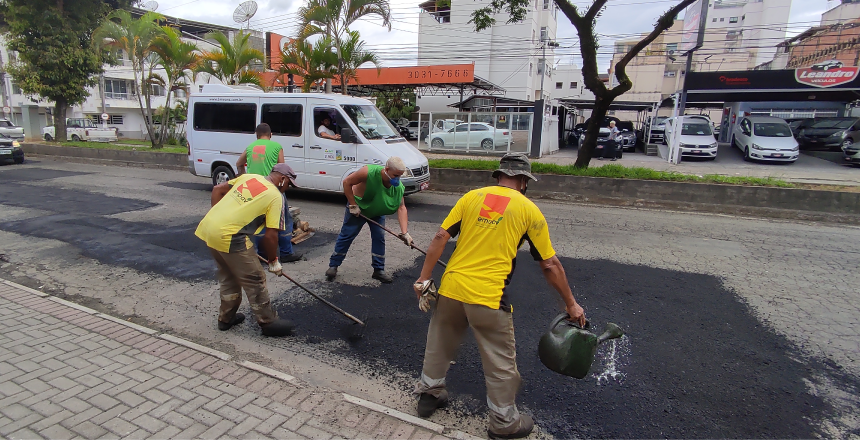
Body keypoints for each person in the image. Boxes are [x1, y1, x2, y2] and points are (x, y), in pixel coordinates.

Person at [411, 153, 586, 439]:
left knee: (439, 343)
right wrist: (571, 304)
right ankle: (504, 423)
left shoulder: (471, 198)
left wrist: (423, 278)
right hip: (488, 297)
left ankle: (429, 394)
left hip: (452, 288)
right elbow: (549, 264)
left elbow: (440, 237)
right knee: (500, 362)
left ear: (499, 176)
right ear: (523, 181)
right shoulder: (529, 210)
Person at [195, 163, 299, 337]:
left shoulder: (250, 177)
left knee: (229, 276)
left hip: (209, 228)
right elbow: (271, 236)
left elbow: (217, 190)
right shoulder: (275, 197)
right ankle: (268, 322)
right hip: (231, 237)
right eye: (289, 183)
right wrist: (273, 261)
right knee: (255, 277)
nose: (288, 188)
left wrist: (219, 221)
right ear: (281, 179)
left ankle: (226, 319)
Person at [325, 157, 412, 284]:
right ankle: (333, 266)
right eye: (395, 175)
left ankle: (378, 270)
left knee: (379, 238)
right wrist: (353, 205)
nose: (397, 179)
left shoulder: (397, 187)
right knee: (347, 235)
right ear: (387, 169)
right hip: (358, 210)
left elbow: (402, 207)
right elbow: (347, 183)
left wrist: (405, 233)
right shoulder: (368, 172)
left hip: (377, 211)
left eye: (400, 176)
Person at [236, 123, 303, 263]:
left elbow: (239, 163)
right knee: (284, 221)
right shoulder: (276, 146)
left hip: (254, 190)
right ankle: (285, 253)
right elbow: (281, 168)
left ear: (257, 135)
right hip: (272, 189)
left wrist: (243, 178)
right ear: (270, 134)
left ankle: (262, 254)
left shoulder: (250, 147)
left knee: (260, 223)